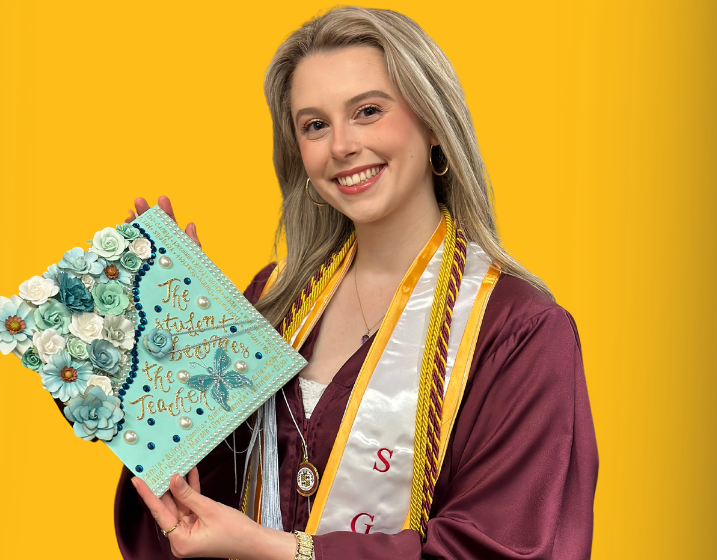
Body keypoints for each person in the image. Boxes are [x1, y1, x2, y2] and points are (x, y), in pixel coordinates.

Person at [118, 6, 597, 560]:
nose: (341, 146)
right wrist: (180, 350)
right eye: (315, 125)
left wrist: (286, 552)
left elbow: (504, 545)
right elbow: (209, 506)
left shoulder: (520, 330)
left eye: (367, 111)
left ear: (434, 122)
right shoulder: (275, 298)